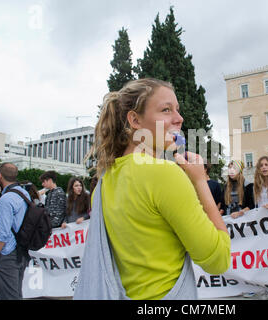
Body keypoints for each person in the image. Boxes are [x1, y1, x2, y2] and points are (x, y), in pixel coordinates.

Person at [74, 78, 230, 300]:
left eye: (177, 109)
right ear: (135, 120)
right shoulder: (164, 174)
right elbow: (218, 260)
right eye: (166, 110)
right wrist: (200, 182)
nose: (179, 118)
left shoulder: (104, 182)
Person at [0, 162, 31, 300]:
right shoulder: (24, 193)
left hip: (8, 253)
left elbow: (3, 232)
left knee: (7, 295)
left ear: (0, 176)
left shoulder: (6, 199)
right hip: (21, 251)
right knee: (15, 293)